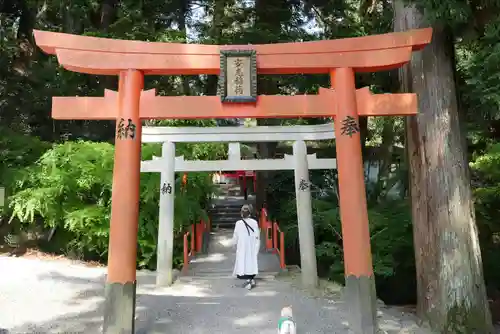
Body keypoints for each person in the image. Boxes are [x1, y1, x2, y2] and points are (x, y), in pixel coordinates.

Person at [232, 204, 260, 289]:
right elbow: (257, 235)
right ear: (250, 213)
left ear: (241, 213)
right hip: (251, 244)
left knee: (243, 260)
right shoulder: (254, 222)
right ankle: (250, 278)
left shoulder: (238, 223)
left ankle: (246, 278)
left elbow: (235, 235)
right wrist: (257, 244)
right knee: (251, 260)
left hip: (242, 245)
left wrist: (234, 243)